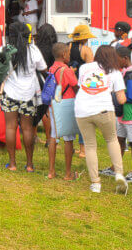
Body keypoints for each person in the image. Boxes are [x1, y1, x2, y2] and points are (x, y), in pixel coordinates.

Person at [75, 45, 128, 194]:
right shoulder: (115, 72)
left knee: (90, 146)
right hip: (104, 109)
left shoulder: (84, 68)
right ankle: (119, 174)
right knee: (111, 139)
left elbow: (82, 86)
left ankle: (95, 183)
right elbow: (121, 99)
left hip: (82, 110)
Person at [1, 21, 47, 172]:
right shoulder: (33, 50)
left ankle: (12, 164)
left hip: (10, 94)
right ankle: (29, 165)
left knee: (10, 127)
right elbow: (43, 68)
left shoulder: (5, 50)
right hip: (28, 95)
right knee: (27, 129)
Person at [100, 46, 132, 182]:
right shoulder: (125, 72)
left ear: (125, 59)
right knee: (120, 140)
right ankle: (114, 168)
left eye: (117, 60)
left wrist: (115, 96)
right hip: (124, 115)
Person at [46, 43, 79, 180]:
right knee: (68, 139)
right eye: (69, 53)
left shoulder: (51, 68)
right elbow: (75, 86)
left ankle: (51, 171)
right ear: (64, 55)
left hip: (53, 104)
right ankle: (67, 173)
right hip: (66, 104)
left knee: (53, 136)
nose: (70, 56)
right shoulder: (66, 70)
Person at [68, 23, 95, 158]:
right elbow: (91, 69)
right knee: (83, 117)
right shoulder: (86, 50)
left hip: (70, 85)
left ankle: (72, 146)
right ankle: (83, 150)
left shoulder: (68, 47)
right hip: (82, 86)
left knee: (72, 116)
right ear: (85, 38)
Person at [35, 23, 58, 142]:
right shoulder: (54, 49)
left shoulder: (36, 48)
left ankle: (34, 136)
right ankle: (50, 139)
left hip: (36, 80)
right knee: (47, 110)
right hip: (48, 81)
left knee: (35, 108)